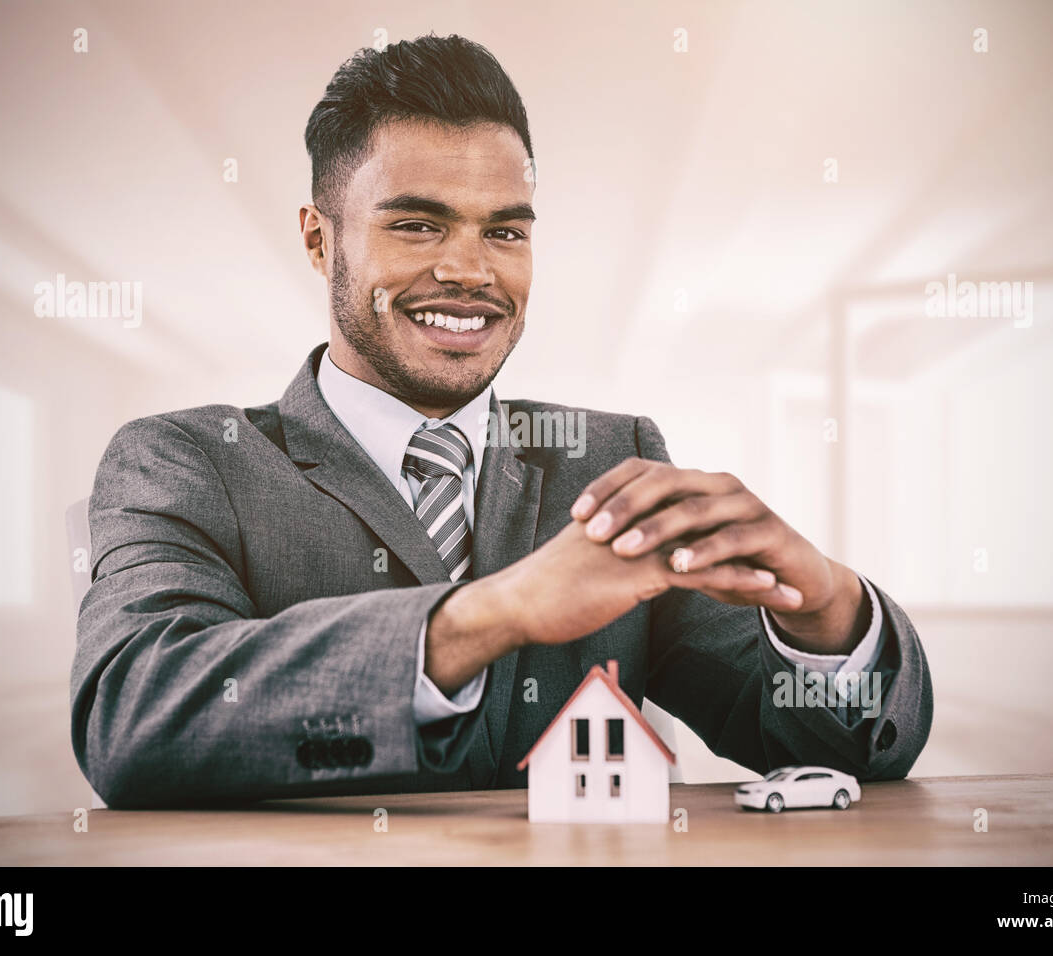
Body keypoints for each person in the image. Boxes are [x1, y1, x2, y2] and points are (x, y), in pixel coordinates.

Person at [71, 33, 931, 809]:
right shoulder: (187, 461)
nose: (469, 270)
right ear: (319, 240)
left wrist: (826, 611)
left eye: (506, 233)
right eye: (418, 225)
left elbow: (829, 749)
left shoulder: (613, 458)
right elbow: (135, 716)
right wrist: (493, 613)